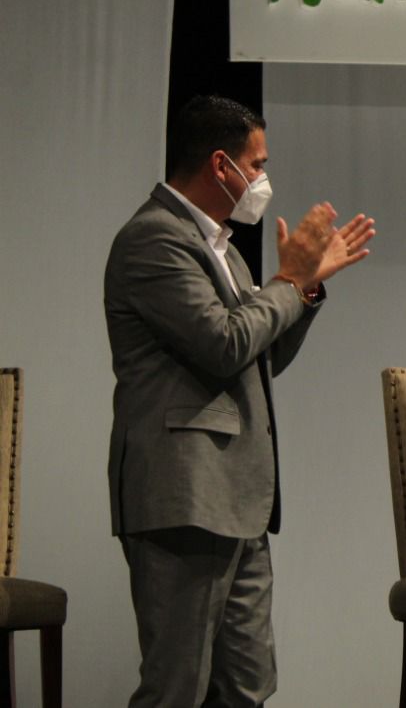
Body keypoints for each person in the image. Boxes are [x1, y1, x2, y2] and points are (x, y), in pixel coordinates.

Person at [105, 94, 375, 707]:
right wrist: (289, 281)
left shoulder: (223, 249)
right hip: (186, 492)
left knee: (248, 683)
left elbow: (259, 357)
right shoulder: (154, 239)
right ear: (220, 165)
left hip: (240, 498)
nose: (262, 180)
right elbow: (223, 344)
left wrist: (305, 290)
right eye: (257, 165)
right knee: (177, 686)